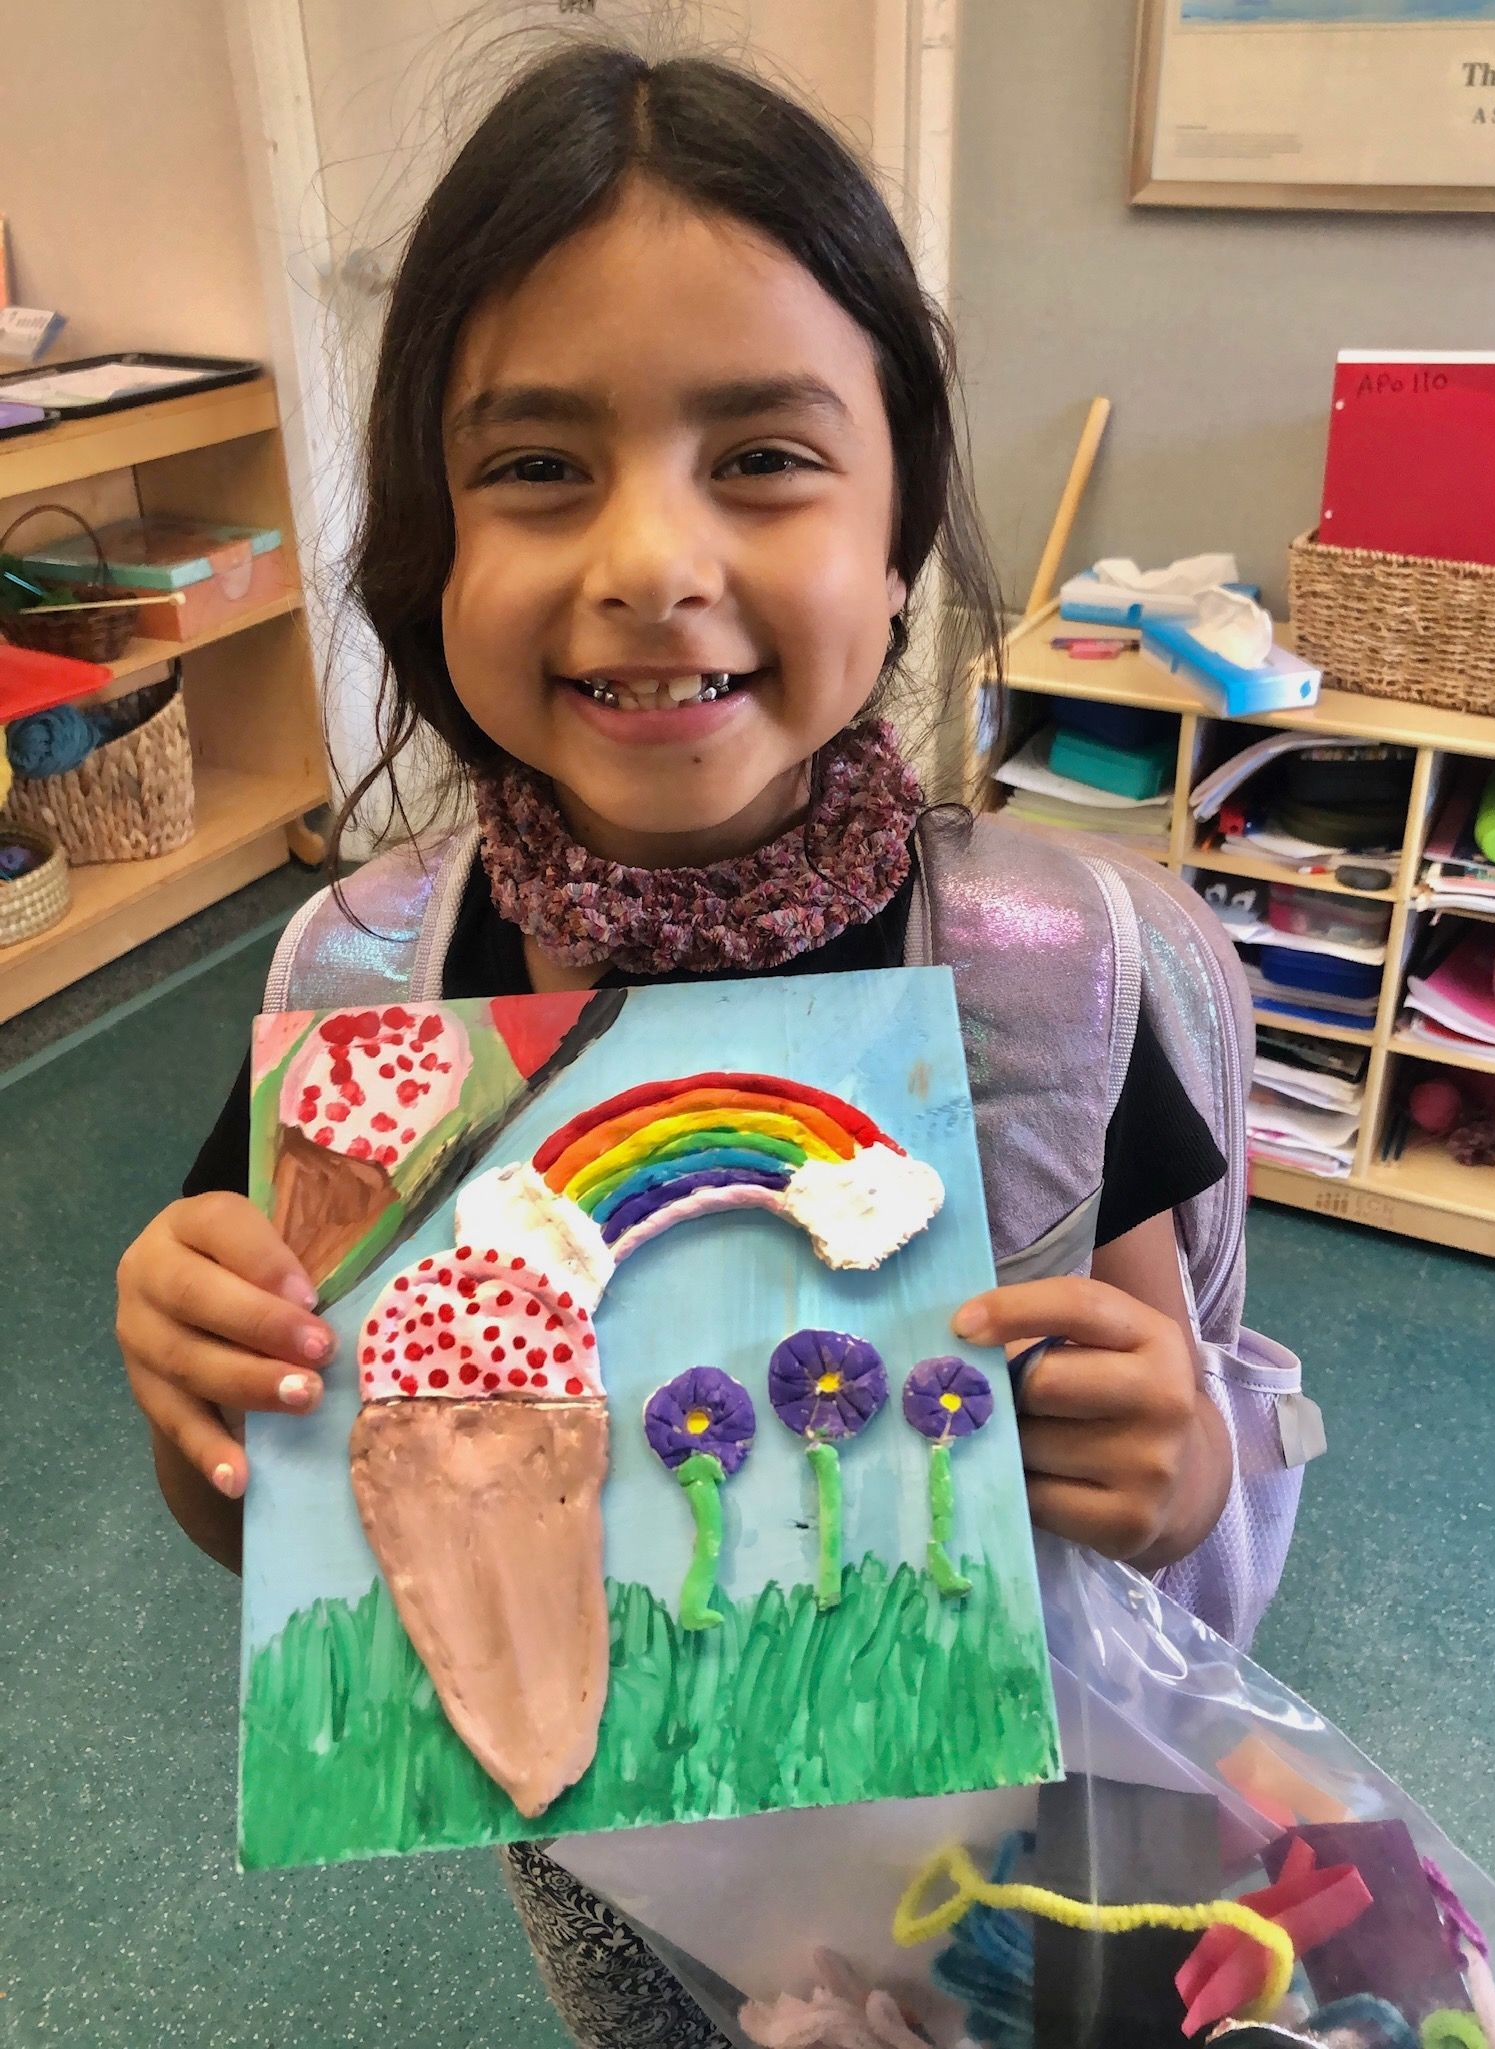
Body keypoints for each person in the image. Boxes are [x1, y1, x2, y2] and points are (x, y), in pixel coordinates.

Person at [115, 38, 1237, 2047]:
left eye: (763, 455)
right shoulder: (369, 996)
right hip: (611, 1881)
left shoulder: (1042, 975)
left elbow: (1180, 1459)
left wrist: (1165, 1465)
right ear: (424, 547)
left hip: (1005, 1844)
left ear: (895, 522)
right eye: (536, 465)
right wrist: (199, 1396)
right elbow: (260, 1507)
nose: (648, 559)